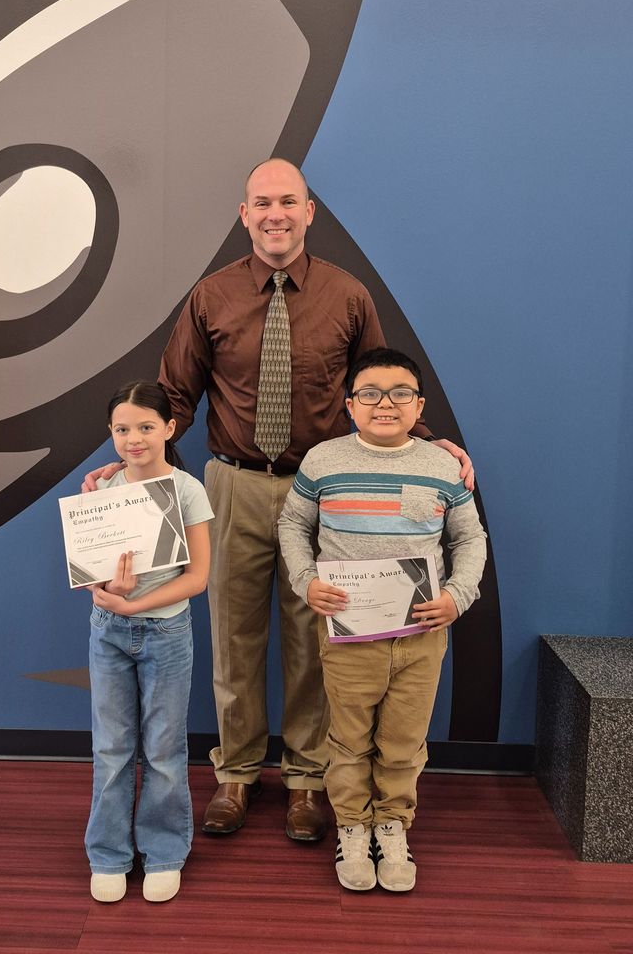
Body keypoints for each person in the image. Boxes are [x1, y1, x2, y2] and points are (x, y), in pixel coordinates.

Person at [85, 159, 473, 842]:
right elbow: (171, 398)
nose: (275, 214)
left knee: (309, 636)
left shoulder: (348, 295)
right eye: (262, 203)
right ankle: (235, 773)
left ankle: (304, 780)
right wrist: (127, 470)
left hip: (322, 490)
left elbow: (382, 389)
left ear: (308, 211)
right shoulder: (210, 297)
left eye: (288, 202)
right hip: (229, 484)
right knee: (233, 635)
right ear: (244, 215)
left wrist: (434, 443)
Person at [277, 347, 486, 892]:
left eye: (399, 394)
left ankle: (392, 825)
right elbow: (292, 526)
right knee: (348, 740)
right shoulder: (324, 461)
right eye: (369, 393)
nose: (384, 404)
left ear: (419, 404)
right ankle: (352, 826)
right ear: (350, 405)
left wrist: (458, 596)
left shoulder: (443, 467)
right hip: (350, 636)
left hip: (422, 634)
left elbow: (469, 538)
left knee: (403, 740)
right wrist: (307, 582)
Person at [83, 382, 213, 905]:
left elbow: (199, 577)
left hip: (166, 631)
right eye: (121, 429)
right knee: (111, 749)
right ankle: (109, 854)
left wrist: (135, 604)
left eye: (144, 427)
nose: (133, 439)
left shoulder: (186, 490)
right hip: (107, 631)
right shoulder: (102, 489)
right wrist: (104, 590)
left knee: (162, 748)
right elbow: (89, 568)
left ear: (168, 429)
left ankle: (163, 853)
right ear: (110, 433)